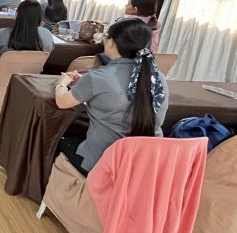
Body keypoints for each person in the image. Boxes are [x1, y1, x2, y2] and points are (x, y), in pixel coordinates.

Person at [55, 18, 169, 176]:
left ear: (111, 42)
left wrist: (61, 84)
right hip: (147, 165)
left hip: (105, 163)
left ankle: (61, 198)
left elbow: (62, 102)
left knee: (56, 138)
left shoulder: (98, 77)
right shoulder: (159, 77)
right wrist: (85, 84)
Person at [0, 0, 54, 89]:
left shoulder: (3, 33)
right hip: (29, 78)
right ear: (39, 17)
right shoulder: (47, 34)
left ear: (17, 14)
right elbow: (49, 51)